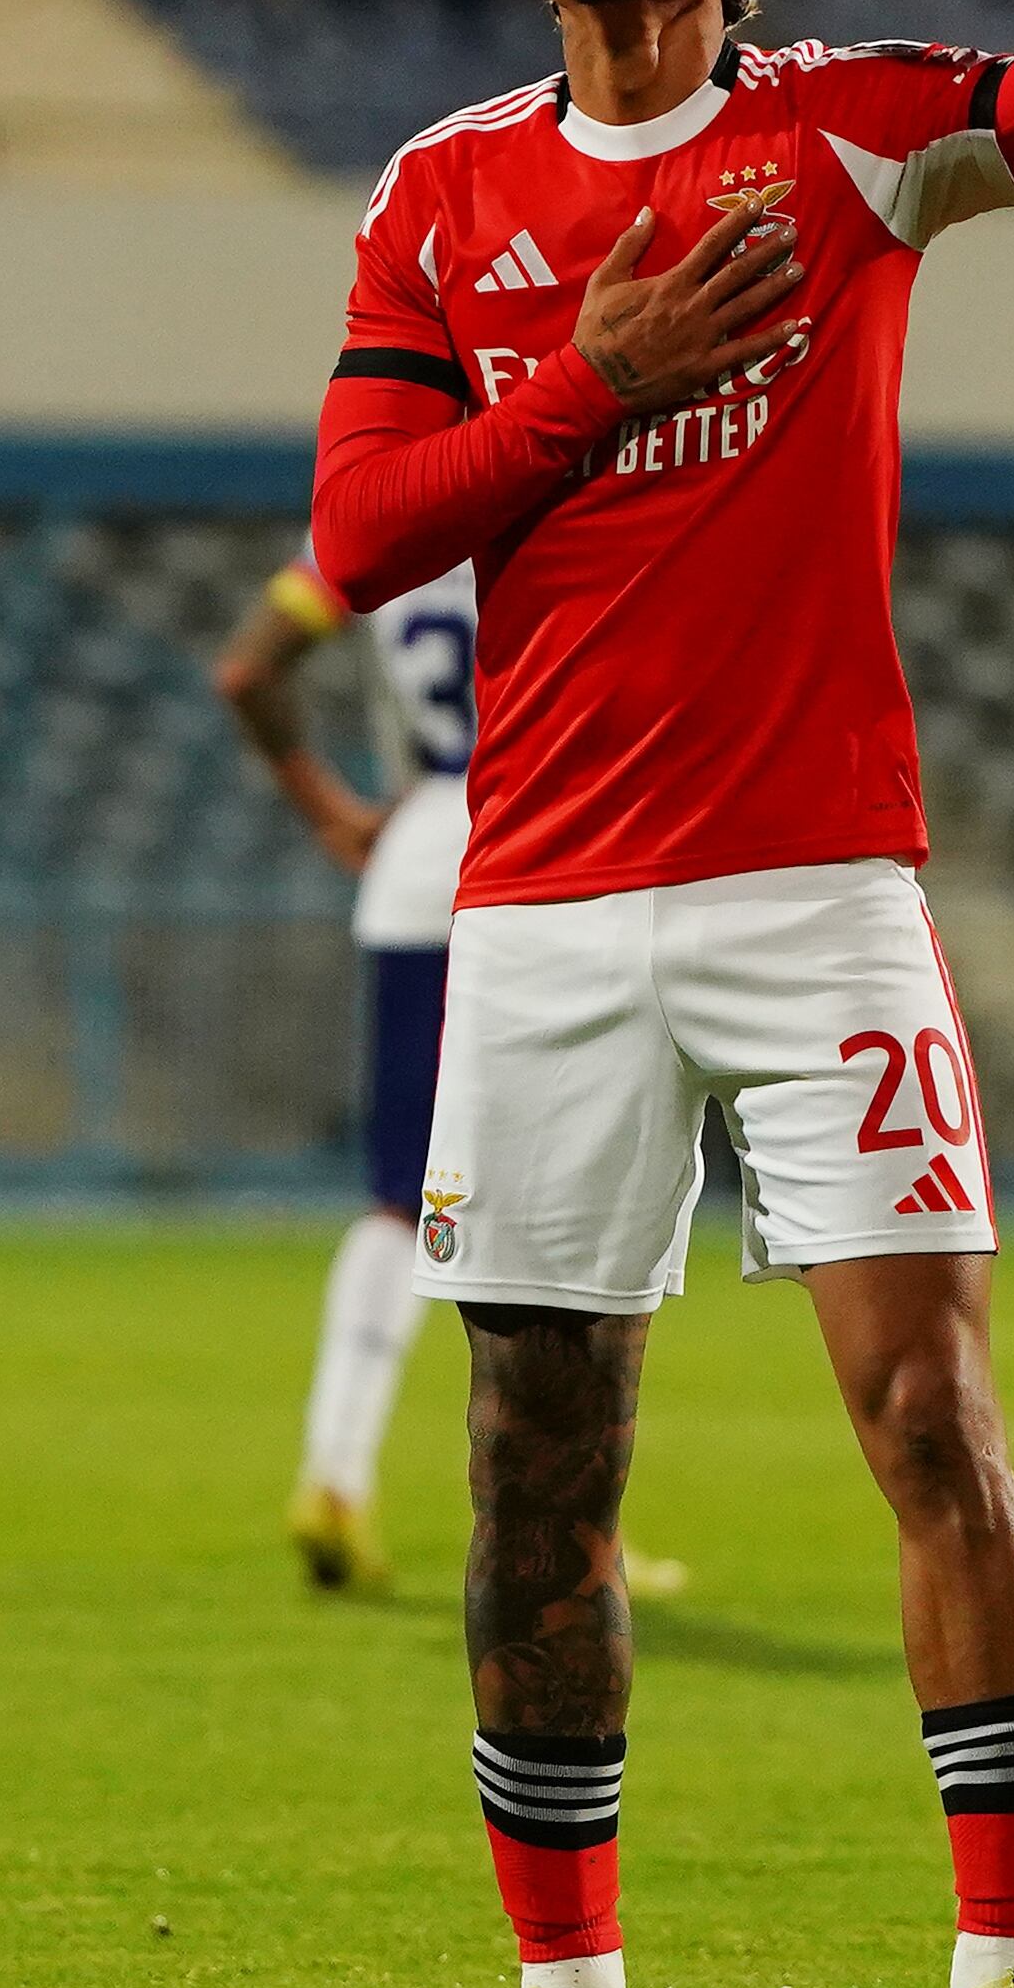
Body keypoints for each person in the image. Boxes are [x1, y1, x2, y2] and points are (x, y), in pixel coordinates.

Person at [306, 0, 1014, 1988]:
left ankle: (1009, 1980)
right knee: (532, 1486)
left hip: (822, 890)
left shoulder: (850, 135)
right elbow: (364, 536)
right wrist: (592, 372)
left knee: (933, 1422)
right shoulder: (445, 198)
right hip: (551, 917)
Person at [213, 547, 686, 1610]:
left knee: (397, 1200)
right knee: (566, 1209)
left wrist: (331, 811)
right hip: (557, 854)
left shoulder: (389, 514)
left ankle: (334, 1472)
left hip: (423, 861)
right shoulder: (583, 485)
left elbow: (246, 672)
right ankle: (575, 1525)